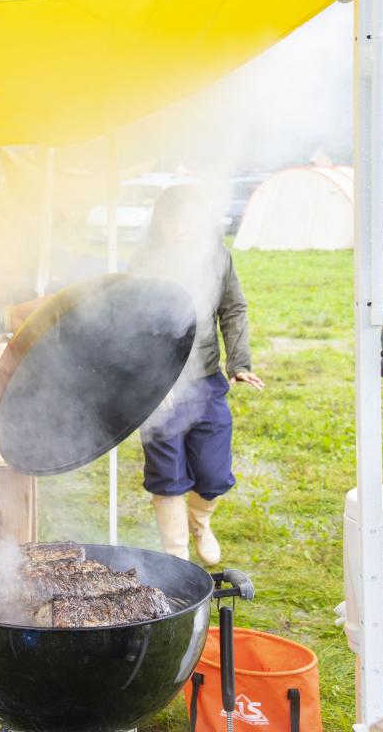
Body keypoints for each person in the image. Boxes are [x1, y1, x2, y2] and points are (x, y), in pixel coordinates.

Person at [130, 184, 263, 566]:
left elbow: (233, 309)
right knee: (167, 471)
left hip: (205, 380)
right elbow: (129, 325)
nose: (180, 228)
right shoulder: (144, 261)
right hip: (160, 387)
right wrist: (152, 381)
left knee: (215, 472)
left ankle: (200, 523)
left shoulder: (217, 257)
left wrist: (239, 364)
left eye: (188, 220)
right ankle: (177, 558)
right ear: (160, 223)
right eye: (172, 221)